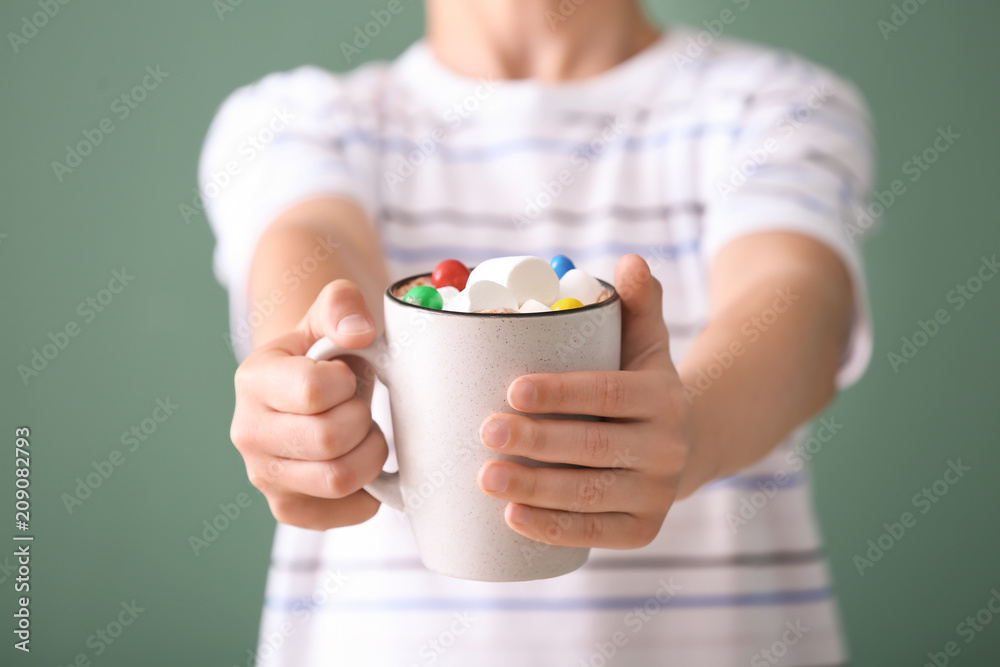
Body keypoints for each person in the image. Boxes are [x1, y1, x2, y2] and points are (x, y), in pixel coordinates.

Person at [200, 0, 873, 664]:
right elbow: (310, 257)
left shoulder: (773, 105)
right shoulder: (299, 123)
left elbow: (797, 306)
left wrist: (691, 430)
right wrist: (305, 394)